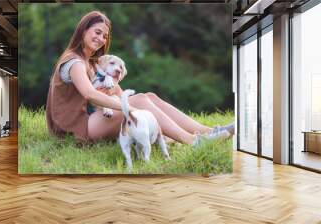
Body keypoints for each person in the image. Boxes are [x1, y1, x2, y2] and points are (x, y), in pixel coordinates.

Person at [45, 11, 234, 146]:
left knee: (148, 96)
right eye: (97, 32)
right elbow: (89, 94)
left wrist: (117, 92)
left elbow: (113, 92)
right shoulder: (74, 62)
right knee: (140, 102)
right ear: (83, 30)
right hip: (75, 128)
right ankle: (194, 141)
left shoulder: (90, 61)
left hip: (90, 119)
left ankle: (209, 132)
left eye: (104, 36)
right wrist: (130, 107)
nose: (101, 39)